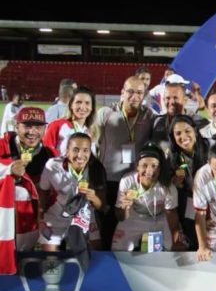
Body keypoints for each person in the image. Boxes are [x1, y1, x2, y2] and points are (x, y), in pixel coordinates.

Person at [95, 76, 156, 247]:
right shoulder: (106, 114)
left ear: (144, 95)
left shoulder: (149, 116)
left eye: (139, 93)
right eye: (130, 92)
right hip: (108, 181)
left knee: (131, 230)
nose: (134, 96)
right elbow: (92, 142)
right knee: (106, 229)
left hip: (134, 183)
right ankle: (104, 266)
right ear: (122, 92)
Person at [38, 133, 107, 251]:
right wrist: (40, 217)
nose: (80, 155)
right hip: (56, 217)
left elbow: (101, 206)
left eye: (85, 150)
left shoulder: (96, 169)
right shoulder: (53, 165)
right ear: (67, 151)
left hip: (84, 217)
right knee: (50, 259)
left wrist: (93, 197)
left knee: (95, 255)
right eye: (76, 150)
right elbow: (43, 192)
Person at [0, 107, 56, 251]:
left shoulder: (51, 156)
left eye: (38, 126)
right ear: (16, 126)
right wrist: (7, 170)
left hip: (31, 228)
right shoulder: (2, 146)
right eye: (27, 126)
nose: (32, 132)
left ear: (45, 129)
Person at [112, 143, 185, 251]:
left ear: (160, 168)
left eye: (154, 166)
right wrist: (125, 207)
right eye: (144, 165)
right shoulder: (127, 181)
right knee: (118, 249)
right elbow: (121, 217)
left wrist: (175, 240)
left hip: (160, 217)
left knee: (176, 249)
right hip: (135, 216)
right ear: (137, 166)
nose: (149, 171)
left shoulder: (168, 187)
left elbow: (172, 215)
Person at [168, 115, 210, 251]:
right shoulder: (172, 156)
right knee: (193, 236)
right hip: (190, 204)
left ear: (195, 131)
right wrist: (176, 183)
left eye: (187, 131)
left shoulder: (209, 147)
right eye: (178, 133)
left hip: (213, 200)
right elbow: (170, 186)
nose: (183, 137)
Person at [150, 81, 208, 153]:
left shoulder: (199, 121)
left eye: (175, 98)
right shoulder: (158, 122)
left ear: (185, 100)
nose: (171, 102)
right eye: (168, 98)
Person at [43, 87, 98, 156]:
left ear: (92, 108)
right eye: (78, 102)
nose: (82, 107)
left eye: (87, 103)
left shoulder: (90, 133)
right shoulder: (57, 125)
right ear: (71, 105)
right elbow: (45, 152)